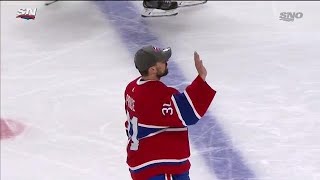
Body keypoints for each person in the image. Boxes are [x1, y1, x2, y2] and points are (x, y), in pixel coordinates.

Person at [124, 45, 216, 180]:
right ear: (152, 69)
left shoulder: (132, 87)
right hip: (160, 165)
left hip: (143, 161)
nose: (166, 62)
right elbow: (188, 113)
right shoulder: (157, 96)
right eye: (161, 61)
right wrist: (201, 78)